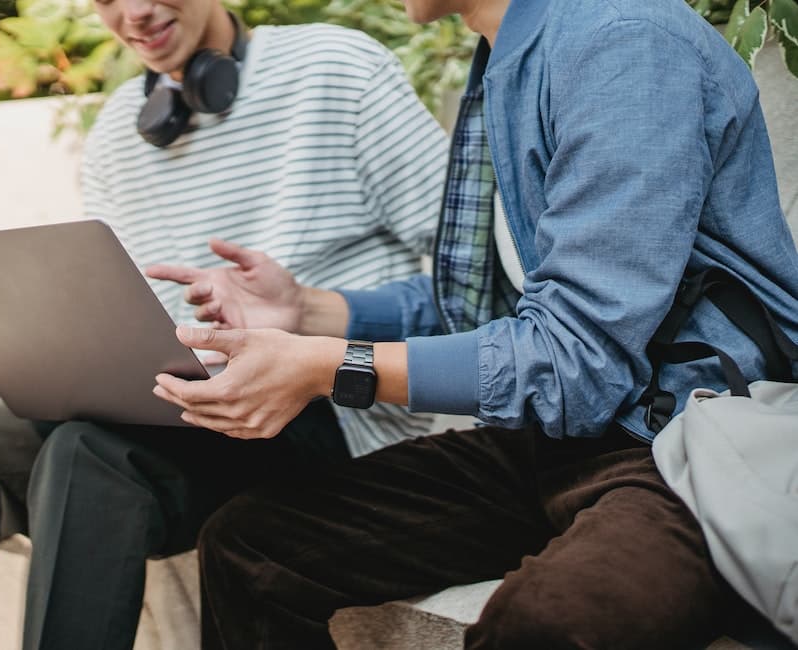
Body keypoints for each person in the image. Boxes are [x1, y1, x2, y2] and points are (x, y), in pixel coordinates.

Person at [145, 0, 798, 647]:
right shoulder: (508, 54)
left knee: (554, 623)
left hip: (685, 440)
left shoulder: (623, 43)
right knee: (252, 544)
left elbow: (574, 359)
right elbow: (499, 304)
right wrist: (309, 312)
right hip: (558, 436)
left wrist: (332, 368)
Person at [0, 1, 449, 648]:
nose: (133, 12)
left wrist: (309, 306)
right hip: (180, 409)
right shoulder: (114, 136)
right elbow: (131, 314)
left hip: (327, 407)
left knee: (88, 453)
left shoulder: (336, 68)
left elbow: (470, 282)